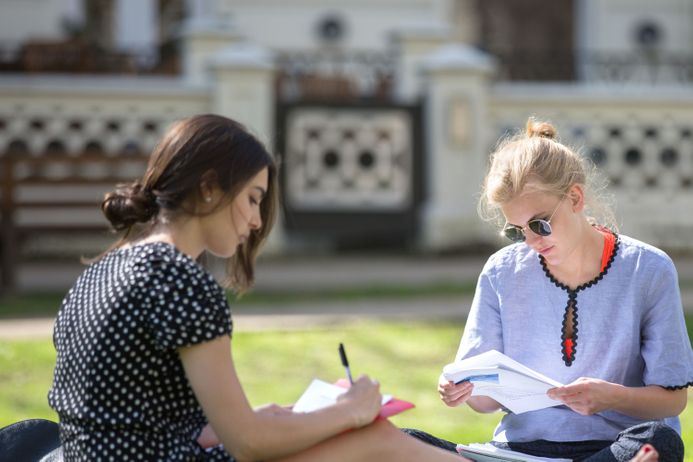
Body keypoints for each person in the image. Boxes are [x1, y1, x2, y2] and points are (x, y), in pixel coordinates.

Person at [47, 114, 467, 461]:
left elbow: (134, 418)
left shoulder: (102, 271)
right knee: (374, 440)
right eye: (252, 198)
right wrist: (351, 410)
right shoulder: (178, 280)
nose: (254, 220)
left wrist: (273, 420)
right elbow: (248, 445)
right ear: (209, 187)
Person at [405, 118, 692, 462]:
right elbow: (485, 402)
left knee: (658, 441)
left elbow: (673, 400)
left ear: (575, 197)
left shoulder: (647, 269)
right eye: (516, 231)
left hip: (610, 448)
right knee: (403, 441)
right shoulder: (501, 271)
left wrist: (611, 397)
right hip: (521, 451)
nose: (530, 241)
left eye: (540, 224)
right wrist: (461, 391)